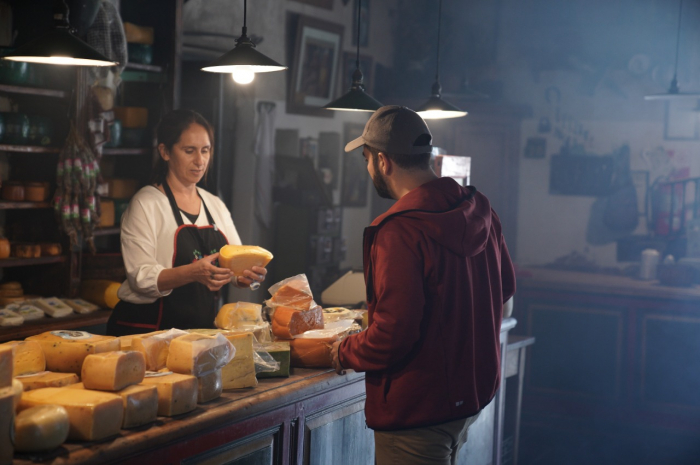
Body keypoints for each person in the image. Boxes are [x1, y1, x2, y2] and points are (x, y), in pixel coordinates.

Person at [330, 105, 516, 465]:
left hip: (418, 412)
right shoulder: (480, 209)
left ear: (383, 162)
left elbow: (392, 335)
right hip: (469, 400)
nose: (369, 169)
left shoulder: (399, 230)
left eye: (367, 159)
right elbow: (504, 289)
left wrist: (338, 351)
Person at [106, 109, 267, 336]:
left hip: (198, 333)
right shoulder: (146, 204)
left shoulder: (214, 205)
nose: (200, 161)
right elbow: (140, 278)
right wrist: (192, 273)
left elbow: (234, 266)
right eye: (189, 151)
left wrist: (245, 276)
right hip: (145, 331)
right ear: (165, 152)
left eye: (205, 150)